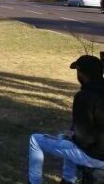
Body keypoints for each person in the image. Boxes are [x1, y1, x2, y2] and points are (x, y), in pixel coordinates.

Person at [28, 55, 104, 184]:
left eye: (78, 71)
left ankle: (35, 182)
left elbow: (85, 139)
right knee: (69, 137)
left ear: (82, 74)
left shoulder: (84, 97)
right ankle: (68, 179)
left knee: (35, 140)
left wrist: (73, 136)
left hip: (96, 156)